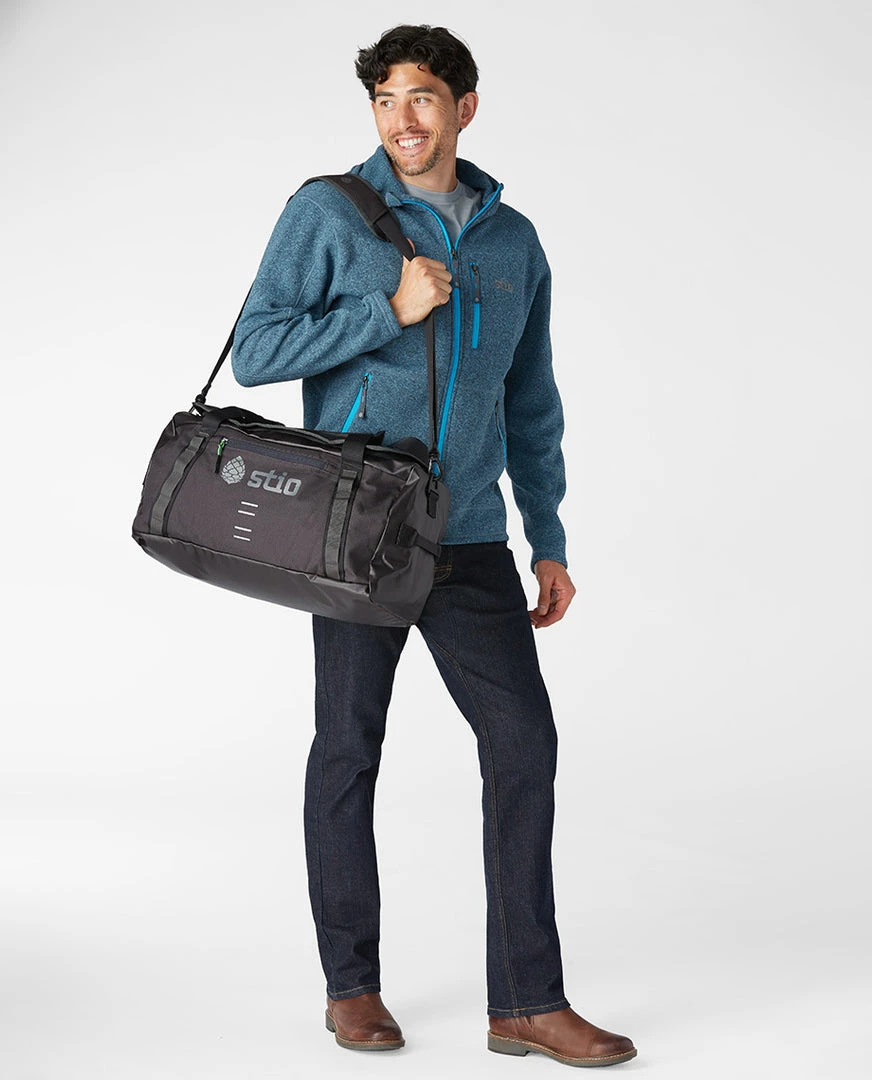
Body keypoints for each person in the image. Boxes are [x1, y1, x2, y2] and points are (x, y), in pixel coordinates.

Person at [231, 23, 637, 1069]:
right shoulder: (329, 212)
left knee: (523, 745)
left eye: (420, 97)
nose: (401, 120)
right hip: (355, 531)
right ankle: (350, 988)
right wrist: (386, 307)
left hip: (469, 538)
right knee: (347, 750)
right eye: (384, 100)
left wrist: (547, 537)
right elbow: (256, 350)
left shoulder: (514, 243)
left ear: (464, 106)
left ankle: (526, 1003)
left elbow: (531, 401)